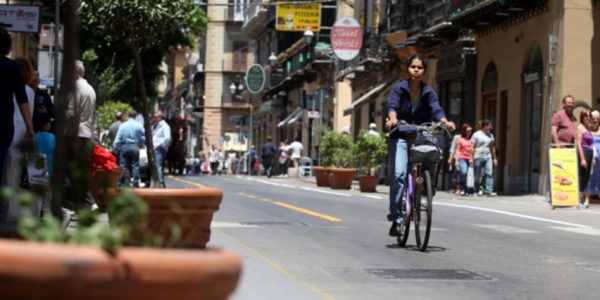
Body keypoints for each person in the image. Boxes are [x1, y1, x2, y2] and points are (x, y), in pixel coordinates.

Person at [384, 53, 455, 237]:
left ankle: (426, 186)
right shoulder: (399, 89)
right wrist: (393, 119)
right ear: (407, 69)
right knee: (399, 175)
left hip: (420, 132)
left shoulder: (429, 92)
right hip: (400, 132)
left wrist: (445, 121)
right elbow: (392, 106)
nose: (416, 70)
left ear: (424, 71)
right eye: (413, 67)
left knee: (431, 155)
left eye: (420, 67)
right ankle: (396, 219)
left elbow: (436, 109)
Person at [64, 59, 97, 209]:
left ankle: (74, 204)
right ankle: (87, 202)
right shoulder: (90, 88)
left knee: (69, 170)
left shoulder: (76, 88)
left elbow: (70, 112)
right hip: (85, 134)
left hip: (73, 133)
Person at [113, 110, 145, 187]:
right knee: (135, 166)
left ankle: (121, 183)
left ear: (128, 116)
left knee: (123, 166)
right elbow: (143, 138)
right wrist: (141, 144)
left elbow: (118, 138)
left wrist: (115, 147)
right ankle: (136, 183)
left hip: (124, 146)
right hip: (135, 146)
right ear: (135, 116)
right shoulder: (139, 125)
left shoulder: (123, 125)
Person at [471, 119, 497, 197]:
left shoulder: (490, 135)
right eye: (490, 126)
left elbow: (492, 147)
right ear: (485, 126)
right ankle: (476, 190)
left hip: (488, 157)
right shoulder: (476, 135)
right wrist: (471, 157)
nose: (491, 127)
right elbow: (472, 146)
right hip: (478, 157)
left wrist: (494, 158)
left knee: (489, 173)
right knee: (477, 175)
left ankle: (489, 191)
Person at [576, 109, 594, 208]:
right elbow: (578, 143)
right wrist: (582, 158)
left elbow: (592, 144)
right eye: (586, 116)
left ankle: (582, 198)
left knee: (587, 176)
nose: (588, 118)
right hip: (584, 151)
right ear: (582, 117)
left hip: (590, 152)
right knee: (582, 175)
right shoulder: (580, 128)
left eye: (589, 116)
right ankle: (578, 199)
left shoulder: (589, 128)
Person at [584, 110, 600, 208]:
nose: (595, 120)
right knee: (589, 177)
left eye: (597, 119)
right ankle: (587, 199)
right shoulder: (587, 130)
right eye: (593, 118)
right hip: (591, 157)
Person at [33, 112, 55, 180]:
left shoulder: (33, 137)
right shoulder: (52, 137)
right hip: (50, 174)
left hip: (34, 174)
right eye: (49, 123)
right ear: (45, 125)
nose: (50, 124)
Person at [152, 111, 171, 188]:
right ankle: (159, 182)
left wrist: (161, 145)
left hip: (159, 149)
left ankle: (161, 183)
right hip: (156, 148)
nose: (154, 118)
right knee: (158, 166)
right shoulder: (157, 126)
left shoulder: (165, 126)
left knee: (158, 166)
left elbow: (168, 138)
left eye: (155, 117)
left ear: (160, 117)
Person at [454, 123, 474, 196]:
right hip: (461, 158)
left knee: (468, 175)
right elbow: (457, 150)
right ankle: (462, 189)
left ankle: (466, 189)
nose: (470, 132)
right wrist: (456, 161)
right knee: (464, 172)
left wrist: (471, 158)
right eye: (468, 131)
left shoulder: (471, 140)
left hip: (469, 159)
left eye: (471, 131)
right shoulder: (460, 139)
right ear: (464, 131)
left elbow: (472, 151)